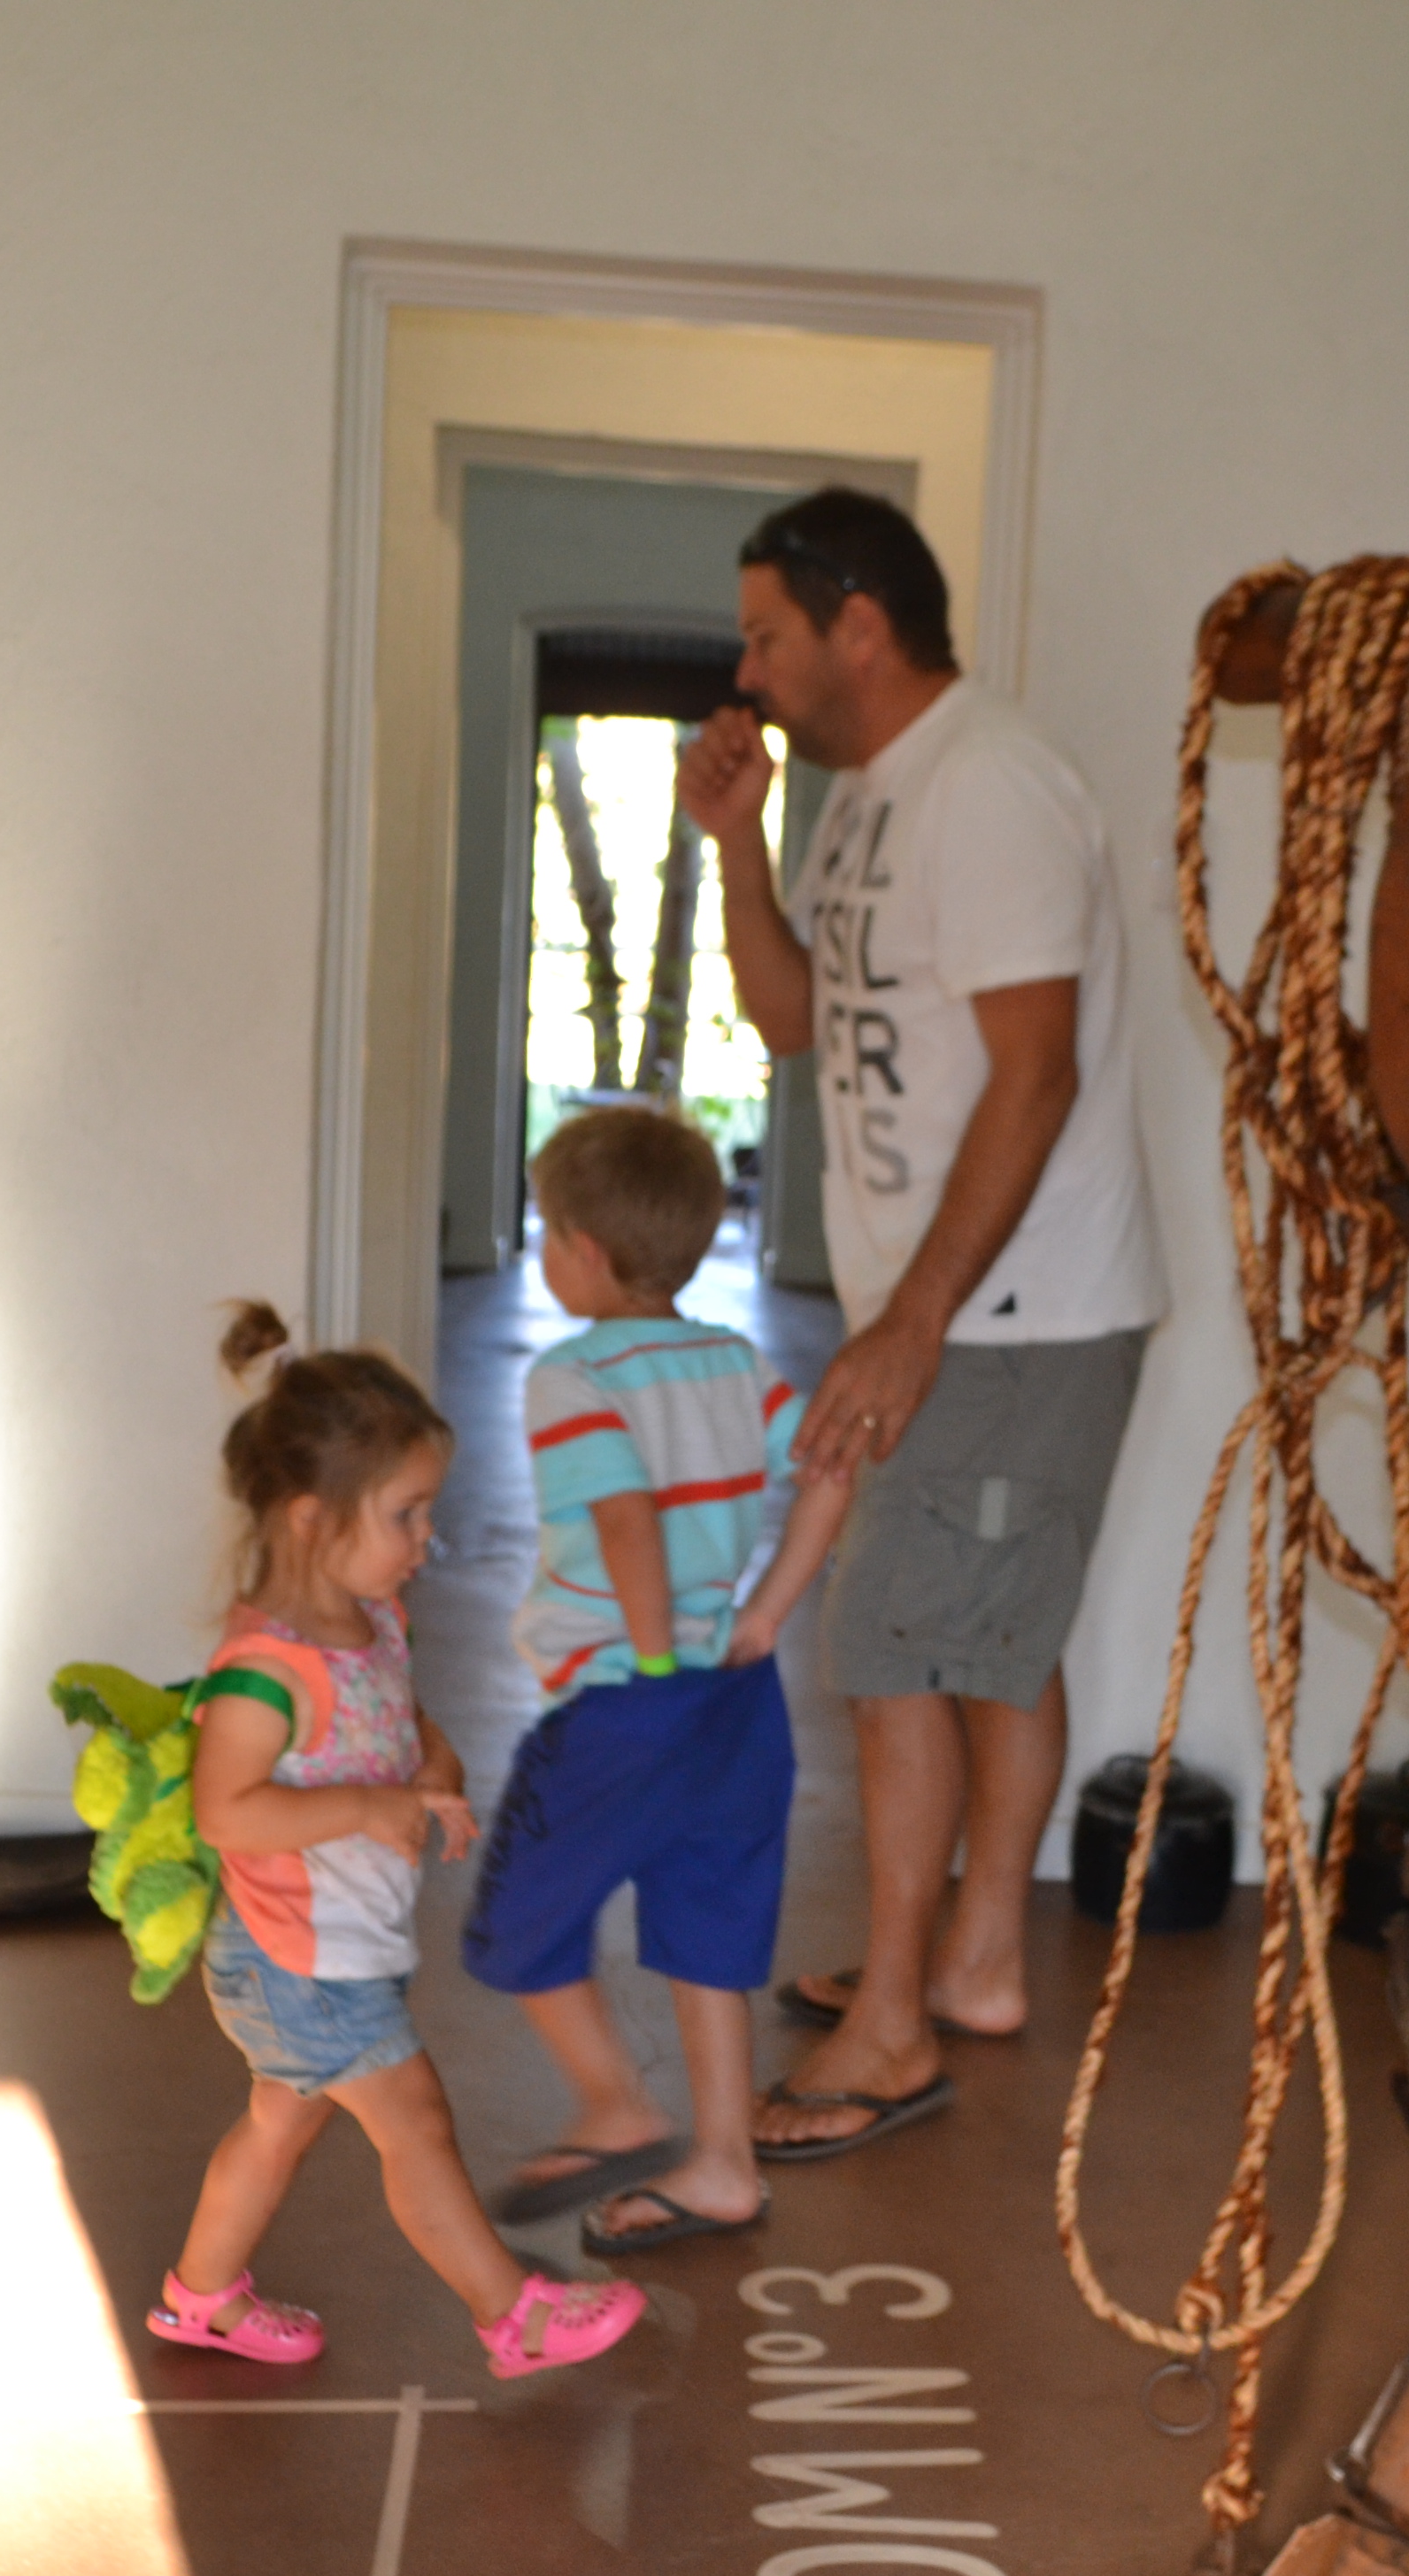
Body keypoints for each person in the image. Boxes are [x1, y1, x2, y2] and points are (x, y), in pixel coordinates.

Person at [676, 488, 1164, 2159]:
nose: (747, 670)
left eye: (767, 636)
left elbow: (1037, 1075)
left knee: (892, 1640)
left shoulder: (992, 784)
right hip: (963, 1308)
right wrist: (736, 844)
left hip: (1014, 1313)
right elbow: (790, 1017)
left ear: (858, 627)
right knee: (986, 1635)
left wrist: (914, 1322)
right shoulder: (869, 797)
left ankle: (890, 2028)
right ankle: (972, 1966)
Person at [148, 1303, 642, 2380]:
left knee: (280, 2126)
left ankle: (202, 2296)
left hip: (340, 1941)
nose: (428, 1542)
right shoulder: (263, 1674)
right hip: (295, 1958)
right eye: (407, 1516)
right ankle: (512, 2317)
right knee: (413, 2120)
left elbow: (394, 1717)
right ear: (312, 1520)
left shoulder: (373, 1621)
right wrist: (370, 1809)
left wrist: (432, 1767)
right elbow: (228, 1812)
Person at [462, 1106, 855, 2249]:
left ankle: (615, 2105)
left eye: (548, 1231)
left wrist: (647, 1658)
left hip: (627, 1701)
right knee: (708, 1934)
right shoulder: (735, 1361)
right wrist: (763, 1614)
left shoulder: (571, 1375)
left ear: (584, 1251)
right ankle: (724, 2166)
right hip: (738, 1700)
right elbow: (832, 1470)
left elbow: (625, 1519)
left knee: (517, 1921)